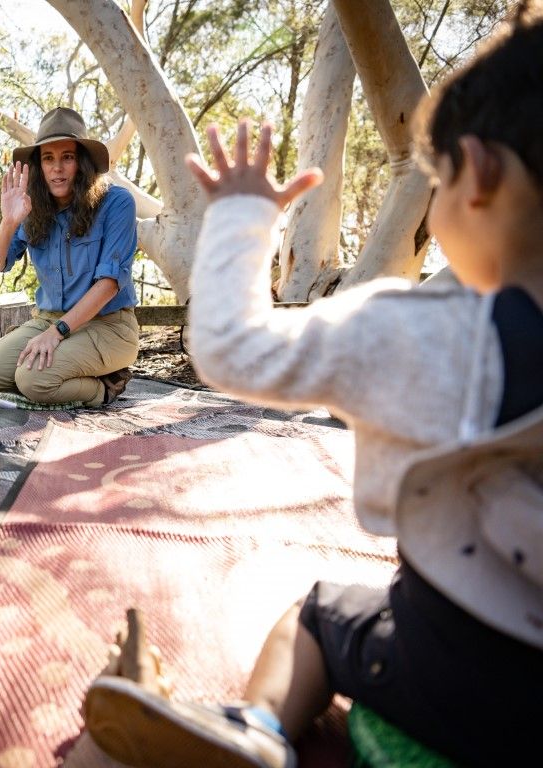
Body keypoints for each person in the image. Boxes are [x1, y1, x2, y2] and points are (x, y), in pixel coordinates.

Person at [82, 6, 543, 767]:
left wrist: (240, 220)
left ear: (478, 172)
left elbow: (231, 351)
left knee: (322, 613)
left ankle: (259, 726)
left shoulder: (421, 328)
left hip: (457, 676)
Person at [0, 107, 140, 407]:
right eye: (48, 158)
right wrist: (9, 221)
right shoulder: (33, 210)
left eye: (67, 157)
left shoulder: (117, 202)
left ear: (83, 162)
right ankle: (60, 372)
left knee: (33, 380)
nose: (57, 168)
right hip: (48, 320)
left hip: (109, 326)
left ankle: (106, 387)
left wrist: (58, 332)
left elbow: (110, 284)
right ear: (39, 166)